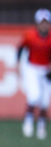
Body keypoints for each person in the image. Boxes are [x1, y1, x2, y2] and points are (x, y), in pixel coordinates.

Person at [17, 8, 51, 139]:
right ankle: (28, 121)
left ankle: (42, 125)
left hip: (46, 70)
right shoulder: (30, 35)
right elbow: (20, 49)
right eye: (41, 22)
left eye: (46, 22)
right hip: (32, 68)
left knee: (44, 101)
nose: (44, 25)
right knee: (34, 96)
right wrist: (18, 65)